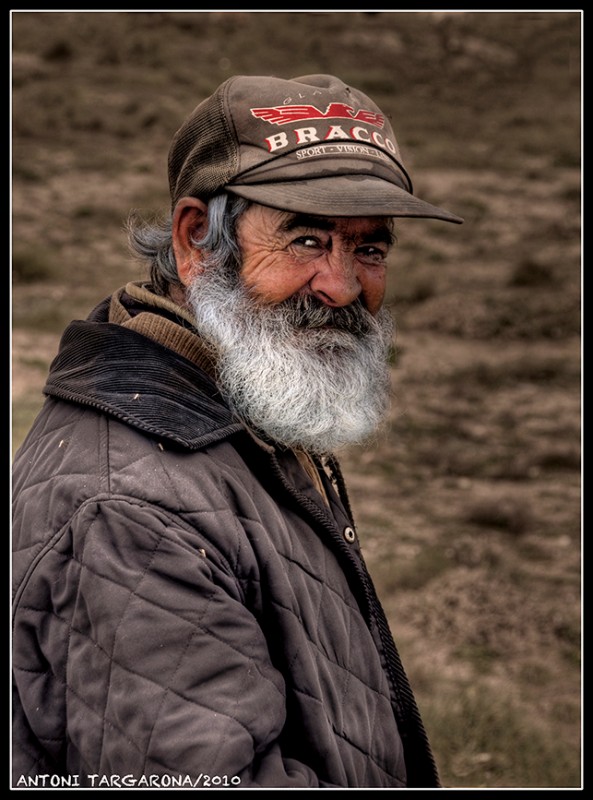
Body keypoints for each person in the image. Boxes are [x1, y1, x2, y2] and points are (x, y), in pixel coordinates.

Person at [12, 73, 462, 789]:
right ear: (196, 241)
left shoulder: (239, 407)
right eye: (306, 239)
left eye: (369, 250)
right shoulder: (134, 512)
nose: (341, 288)